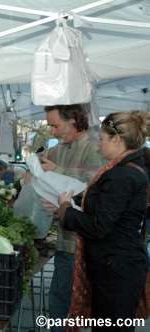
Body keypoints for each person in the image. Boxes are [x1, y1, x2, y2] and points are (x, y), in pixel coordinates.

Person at [56, 111, 150, 332]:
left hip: (117, 269)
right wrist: (69, 204)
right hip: (118, 266)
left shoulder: (122, 175)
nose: (98, 145)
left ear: (116, 140)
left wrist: (67, 210)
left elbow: (100, 226)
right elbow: (106, 206)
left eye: (101, 139)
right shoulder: (125, 170)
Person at [38, 104, 106, 332]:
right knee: (59, 298)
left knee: (91, 304)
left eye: (56, 126)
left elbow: (92, 187)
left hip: (87, 243)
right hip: (65, 241)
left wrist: (58, 173)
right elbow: (40, 162)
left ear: (74, 121)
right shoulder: (59, 149)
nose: (53, 133)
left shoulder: (95, 147)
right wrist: (31, 170)